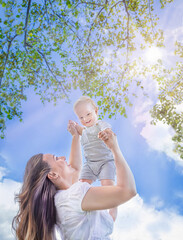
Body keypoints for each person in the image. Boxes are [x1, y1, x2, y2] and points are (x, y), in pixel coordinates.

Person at [13, 121, 136, 240]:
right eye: (56, 158)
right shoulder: (74, 195)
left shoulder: (59, 201)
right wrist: (114, 149)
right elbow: (128, 191)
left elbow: (75, 169)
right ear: (53, 175)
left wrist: (75, 137)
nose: (63, 157)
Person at [71, 96, 117, 220]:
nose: (85, 119)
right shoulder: (85, 130)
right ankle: (83, 212)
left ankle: (112, 211)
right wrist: (74, 126)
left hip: (105, 162)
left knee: (107, 186)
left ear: (96, 111)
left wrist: (106, 133)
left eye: (88, 114)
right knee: (81, 186)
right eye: (81, 117)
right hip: (90, 164)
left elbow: (107, 129)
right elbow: (81, 131)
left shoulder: (101, 124)